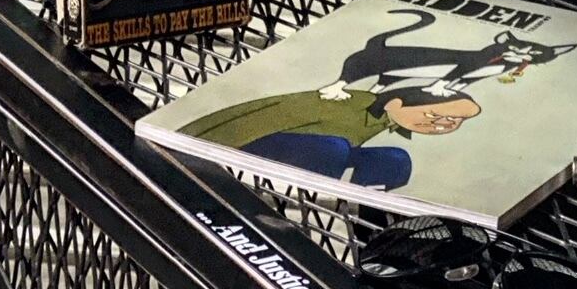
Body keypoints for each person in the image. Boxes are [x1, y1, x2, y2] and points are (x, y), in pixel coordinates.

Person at [180, 83, 481, 190]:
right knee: (335, 148)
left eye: (456, 121)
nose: (443, 125)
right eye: (436, 114)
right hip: (248, 142)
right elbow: (262, 116)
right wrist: (191, 143)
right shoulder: (343, 104)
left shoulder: (387, 120)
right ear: (396, 102)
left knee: (395, 159)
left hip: (310, 151)